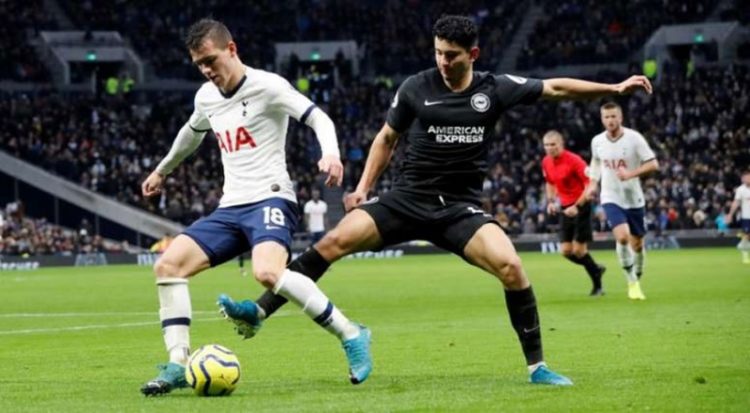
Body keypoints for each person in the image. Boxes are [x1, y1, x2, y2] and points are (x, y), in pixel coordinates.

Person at [220, 15, 653, 386]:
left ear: (473, 55)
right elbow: (387, 138)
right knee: (331, 243)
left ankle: (538, 366)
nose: (443, 61)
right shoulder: (414, 88)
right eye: (439, 53)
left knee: (512, 266)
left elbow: (556, 88)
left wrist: (612, 87)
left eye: (453, 55)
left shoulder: (494, 89)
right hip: (406, 199)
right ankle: (258, 313)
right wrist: (365, 188)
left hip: (459, 208)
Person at [138, 19, 372, 396]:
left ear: (232, 49)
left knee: (267, 272)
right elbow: (191, 133)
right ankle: (178, 364)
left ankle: (352, 333)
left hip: (271, 196)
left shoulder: (269, 86)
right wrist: (162, 171)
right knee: (167, 265)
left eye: (211, 60)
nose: (207, 70)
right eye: (199, 64)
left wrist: (331, 153)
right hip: (231, 207)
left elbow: (318, 117)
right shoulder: (205, 96)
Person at [585, 102, 659, 300]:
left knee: (637, 244)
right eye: (606, 117)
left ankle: (638, 272)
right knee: (623, 237)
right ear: (602, 119)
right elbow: (596, 162)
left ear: (620, 118)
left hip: (634, 198)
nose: (610, 120)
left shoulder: (634, 139)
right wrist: (593, 183)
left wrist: (631, 174)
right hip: (610, 196)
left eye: (613, 116)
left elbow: (653, 164)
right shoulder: (597, 141)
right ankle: (631, 281)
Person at [541, 130, 606, 296]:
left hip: (581, 205)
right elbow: (549, 182)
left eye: (553, 144)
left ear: (561, 144)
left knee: (579, 250)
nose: (549, 148)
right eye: (546, 145)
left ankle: (598, 286)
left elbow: (590, 185)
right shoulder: (546, 162)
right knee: (565, 251)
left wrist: (577, 205)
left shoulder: (574, 160)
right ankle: (595, 268)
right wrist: (550, 201)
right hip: (564, 207)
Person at [726, 170, 750, 264]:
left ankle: (741, 245)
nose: (747, 179)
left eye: (748, 177)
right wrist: (730, 214)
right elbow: (736, 203)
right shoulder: (741, 189)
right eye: (745, 178)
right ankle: (745, 256)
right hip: (746, 217)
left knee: (746, 237)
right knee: (747, 236)